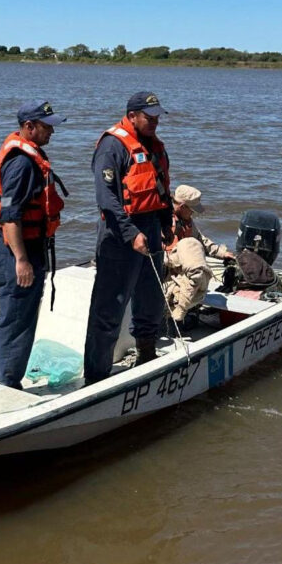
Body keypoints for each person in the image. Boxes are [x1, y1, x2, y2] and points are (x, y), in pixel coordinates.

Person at [83, 92, 174, 385]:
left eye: (158, 117)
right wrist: (130, 233)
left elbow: (160, 188)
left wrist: (166, 222)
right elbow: (106, 199)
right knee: (109, 307)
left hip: (150, 229)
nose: (155, 122)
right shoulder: (113, 146)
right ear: (132, 115)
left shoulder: (154, 146)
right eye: (150, 117)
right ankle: (96, 376)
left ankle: (146, 353)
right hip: (119, 233)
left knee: (150, 298)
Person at [0, 100, 67, 389]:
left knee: (10, 315)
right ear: (28, 127)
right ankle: (7, 385)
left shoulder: (27, 156)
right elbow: (10, 215)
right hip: (17, 250)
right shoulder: (22, 163)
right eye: (47, 127)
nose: (52, 133)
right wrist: (22, 260)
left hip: (10, 246)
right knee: (18, 321)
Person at [163, 184, 234, 329]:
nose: (193, 214)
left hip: (183, 268)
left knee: (197, 258)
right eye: (192, 210)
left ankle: (186, 310)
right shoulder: (164, 220)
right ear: (182, 206)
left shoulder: (186, 220)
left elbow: (202, 241)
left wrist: (222, 253)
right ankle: (177, 313)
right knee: (193, 254)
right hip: (167, 269)